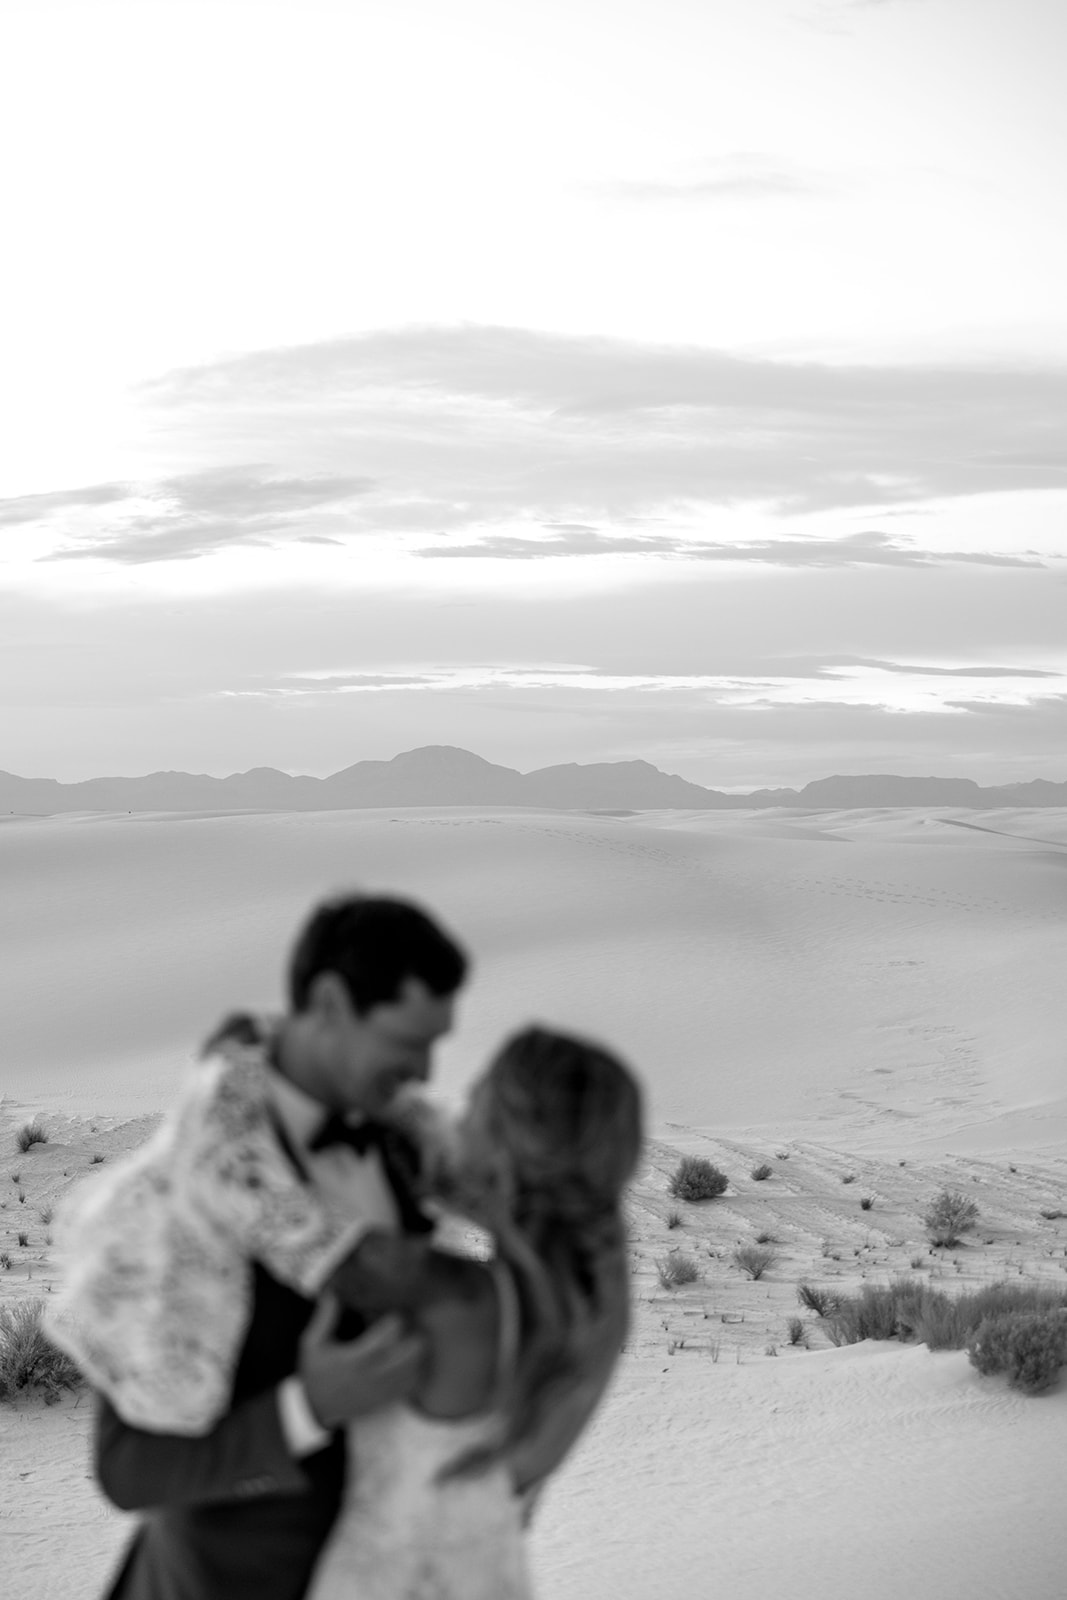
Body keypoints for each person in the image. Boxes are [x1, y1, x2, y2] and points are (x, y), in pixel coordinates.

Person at [72, 892, 468, 1600]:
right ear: (329, 1002)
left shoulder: (403, 1142)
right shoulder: (182, 1194)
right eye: (409, 1044)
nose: (427, 1074)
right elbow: (129, 1468)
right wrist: (307, 1409)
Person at [305, 1023, 644, 1600]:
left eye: (474, 1104)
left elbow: (288, 1227)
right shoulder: (597, 1300)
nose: (455, 1119)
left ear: (504, 1148)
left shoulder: (447, 1299)